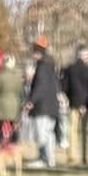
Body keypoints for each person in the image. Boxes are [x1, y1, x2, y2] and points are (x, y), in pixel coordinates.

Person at [26, 39, 61, 169]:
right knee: (49, 133)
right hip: (51, 106)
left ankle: (45, 159)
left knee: (42, 134)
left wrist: (31, 101)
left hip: (43, 106)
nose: (33, 55)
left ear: (39, 53)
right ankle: (49, 159)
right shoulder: (50, 66)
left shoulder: (42, 67)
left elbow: (40, 87)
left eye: (34, 52)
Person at [63, 44, 88, 165]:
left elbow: (65, 86)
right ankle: (86, 156)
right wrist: (87, 103)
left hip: (73, 103)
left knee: (72, 131)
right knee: (85, 132)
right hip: (86, 105)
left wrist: (70, 98)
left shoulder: (70, 69)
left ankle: (72, 156)